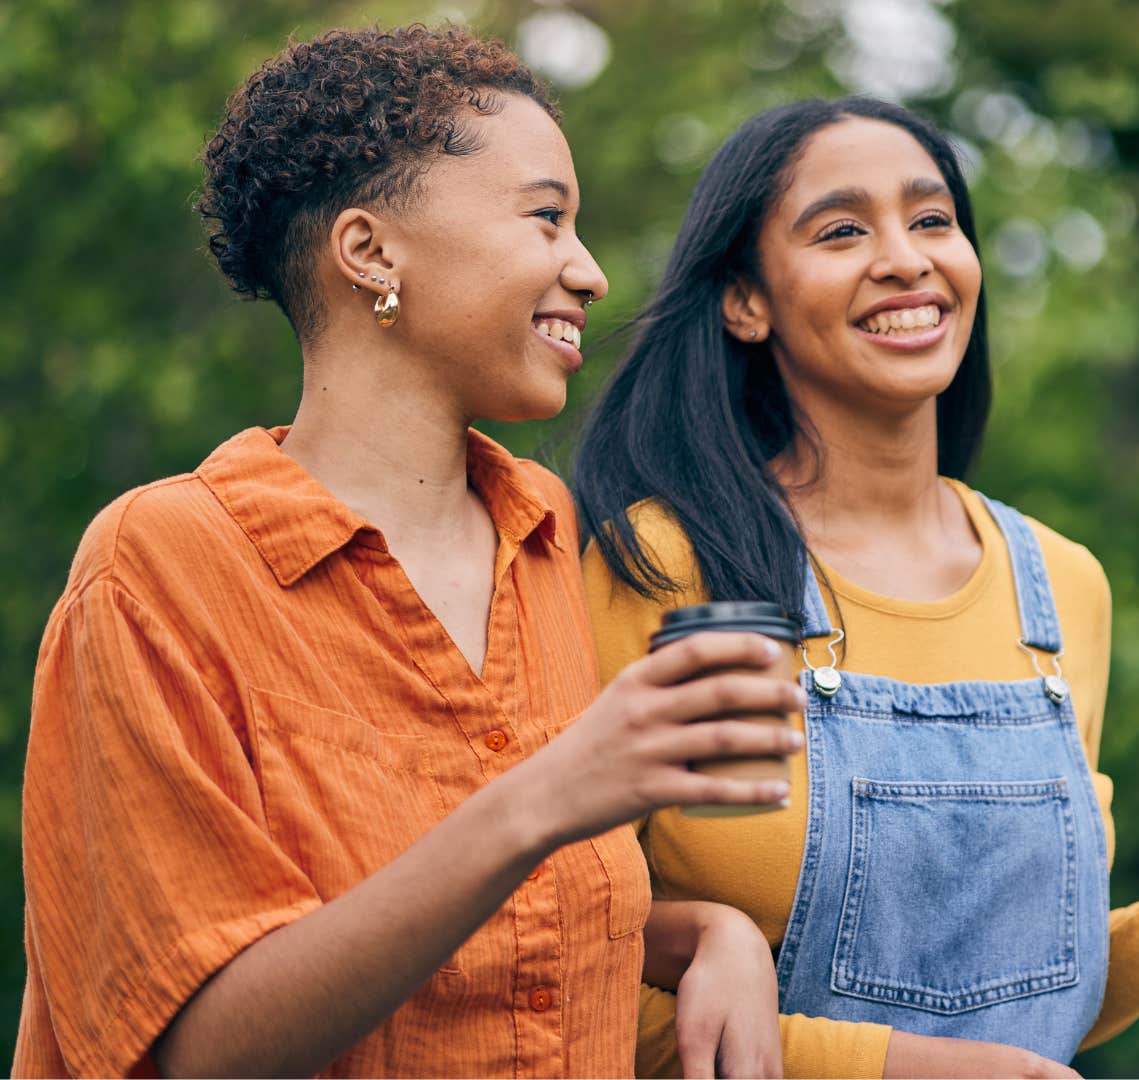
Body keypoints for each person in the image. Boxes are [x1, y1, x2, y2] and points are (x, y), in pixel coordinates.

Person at [572, 97, 1139, 1077]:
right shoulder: (669, 565)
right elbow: (564, 974)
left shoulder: (1059, 588)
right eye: (843, 230)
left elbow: (1034, 1000)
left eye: (933, 221)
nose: (907, 258)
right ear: (744, 301)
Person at [16, 25, 799, 1078]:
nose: (592, 272)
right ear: (371, 252)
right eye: (546, 219)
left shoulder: (546, 533)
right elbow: (198, 1048)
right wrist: (545, 796)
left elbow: (521, 920)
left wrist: (710, 934)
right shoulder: (162, 563)